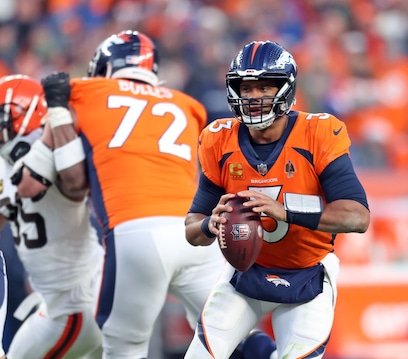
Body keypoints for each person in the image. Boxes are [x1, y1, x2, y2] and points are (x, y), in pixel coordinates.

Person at [41, 30, 276, 359]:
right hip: (196, 235)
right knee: (234, 338)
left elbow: (73, 182)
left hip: (136, 232)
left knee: (124, 348)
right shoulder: (187, 105)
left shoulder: (85, 91)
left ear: (104, 69)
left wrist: (57, 110)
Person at [183, 40, 371, 359]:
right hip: (246, 273)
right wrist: (207, 225)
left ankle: (258, 351)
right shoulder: (218, 139)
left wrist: (285, 211)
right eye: (247, 88)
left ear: (286, 90)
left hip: (307, 275)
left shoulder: (318, 133)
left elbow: (357, 216)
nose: (254, 97)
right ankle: (256, 348)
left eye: (265, 87)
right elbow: (191, 228)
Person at [0, 74, 103, 358]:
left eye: (3, 117)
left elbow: (73, 181)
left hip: (75, 304)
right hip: (64, 303)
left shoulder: (62, 149)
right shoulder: (6, 162)